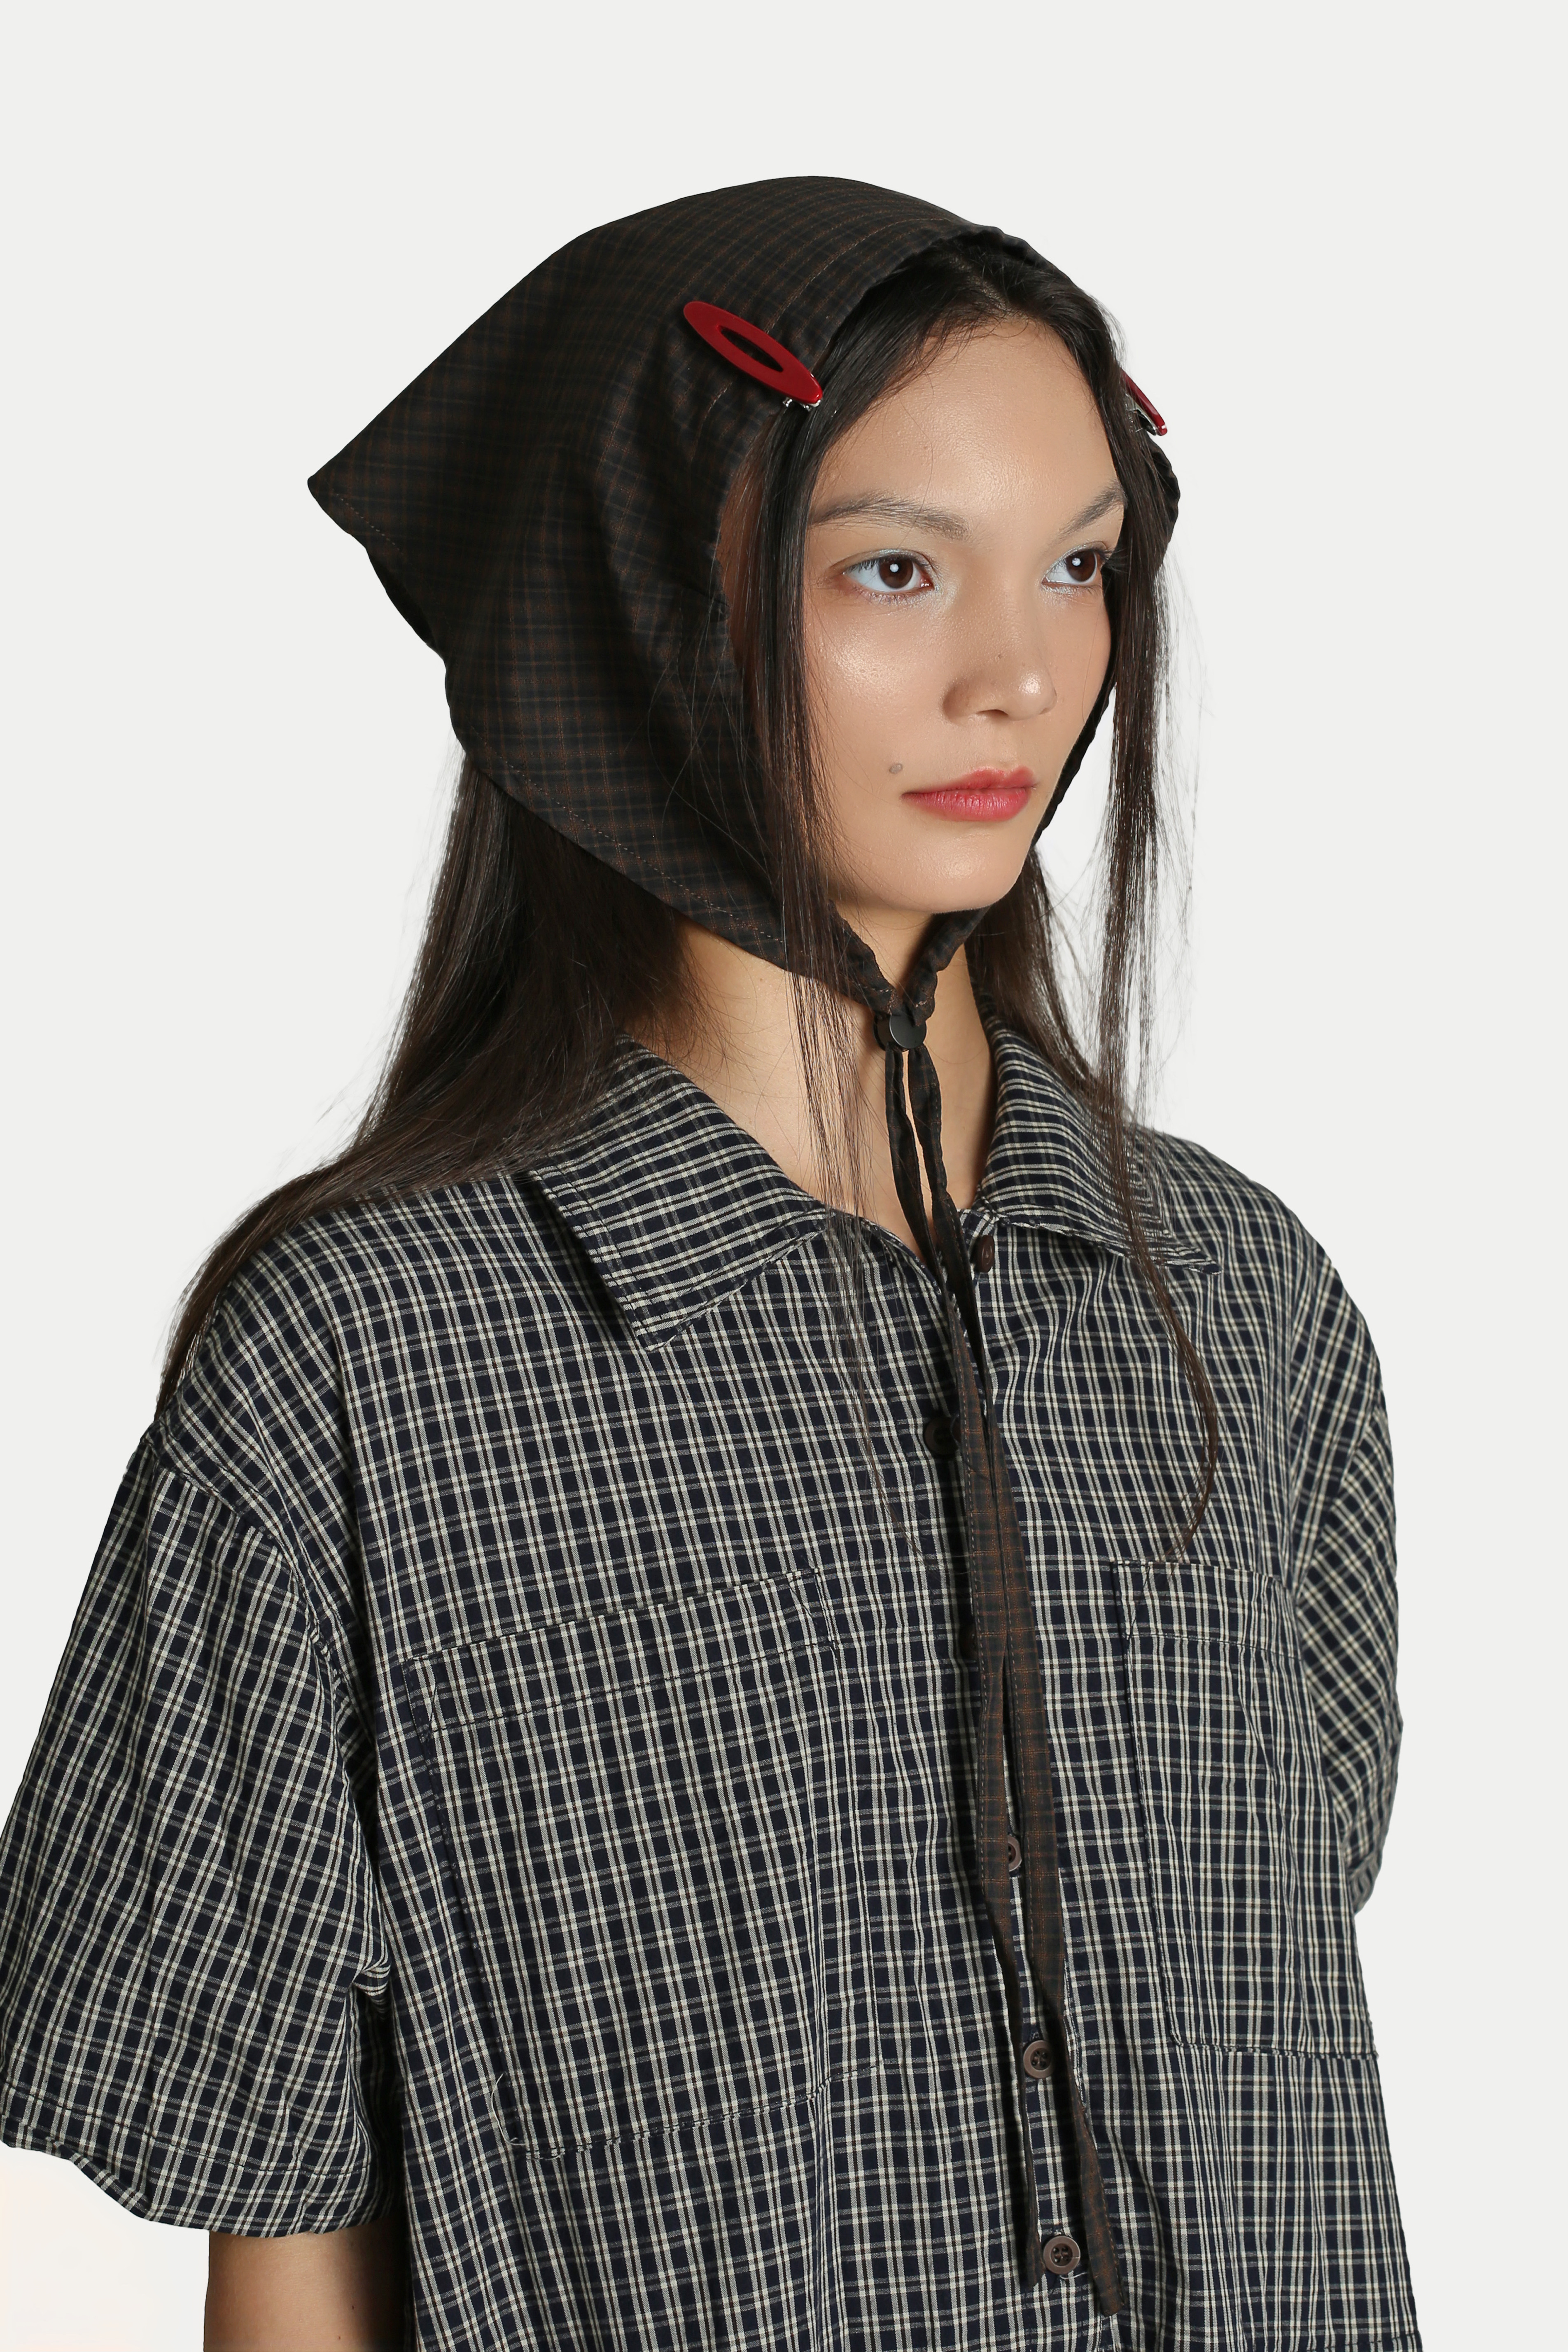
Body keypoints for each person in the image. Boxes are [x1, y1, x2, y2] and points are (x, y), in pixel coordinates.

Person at [0, 177, 1421, 2351]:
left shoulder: (1237, 1299)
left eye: (1077, 565)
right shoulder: (368, 1358)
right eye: (893, 570)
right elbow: (288, 2214)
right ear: (645, 604)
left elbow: (1279, 2017)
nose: (1019, 674)